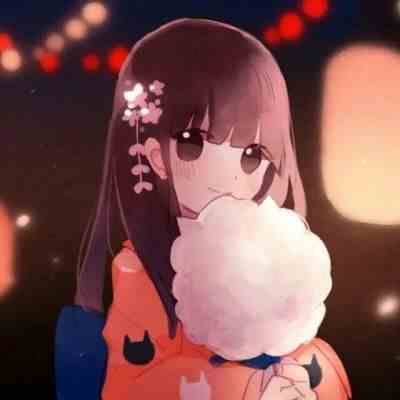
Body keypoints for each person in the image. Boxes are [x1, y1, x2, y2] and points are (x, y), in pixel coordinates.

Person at [55, 18, 352, 400]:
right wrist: (253, 388)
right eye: (192, 143)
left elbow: (310, 361)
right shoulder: (138, 275)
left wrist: (298, 379)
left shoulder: (273, 257)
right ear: (155, 157)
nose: (226, 173)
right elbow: (131, 385)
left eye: (251, 154)